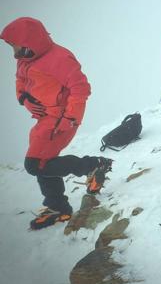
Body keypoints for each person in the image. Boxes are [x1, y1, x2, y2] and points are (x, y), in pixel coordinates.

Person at [1, 17, 112, 230]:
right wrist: (24, 99)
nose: (13, 49)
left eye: (14, 44)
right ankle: (58, 206)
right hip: (44, 119)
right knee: (44, 163)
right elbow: (21, 81)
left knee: (36, 165)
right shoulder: (25, 57)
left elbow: (81, 88)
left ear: (28, 40)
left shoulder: (59, 58)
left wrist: (70, 118)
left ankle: (92, 167)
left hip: (61, 119)